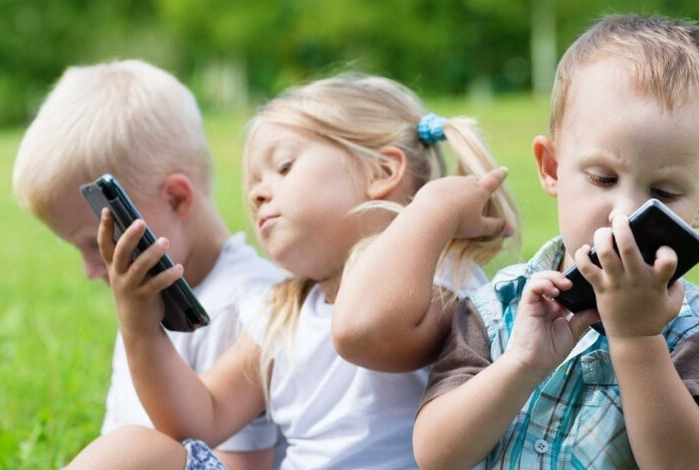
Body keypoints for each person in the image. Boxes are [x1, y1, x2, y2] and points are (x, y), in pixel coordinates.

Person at [63, 73, 518, 470]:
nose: (259, 194)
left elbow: (365, 330)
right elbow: (197, 421)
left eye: (282, 167)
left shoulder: (444, 285)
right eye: (254, 186)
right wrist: (139, 324)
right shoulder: (281, 312)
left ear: (382, 170)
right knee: (132, 448)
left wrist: (432, 209)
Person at [353, 15, 699, 470]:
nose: (623, 213)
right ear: (552, 168)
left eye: (663, 194)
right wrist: (521, 362)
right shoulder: (494, 308)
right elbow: (438, 455)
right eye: (603, 177)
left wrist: (637, 339)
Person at [12, 60, 285, 470]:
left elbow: (245, 462)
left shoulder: (246, 306)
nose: (90, 268)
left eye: (97, 244)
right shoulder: (147, 306)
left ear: (176, 199)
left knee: (131, 449)